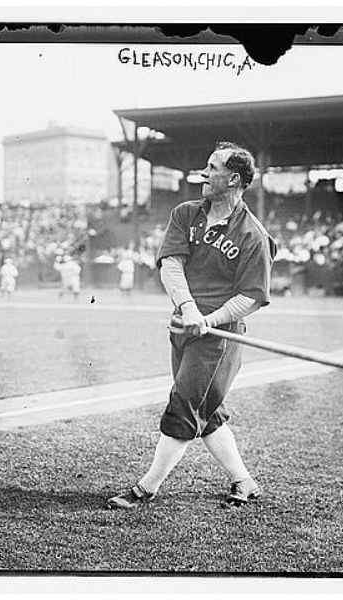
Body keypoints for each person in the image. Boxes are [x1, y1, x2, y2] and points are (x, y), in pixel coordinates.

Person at [106, 141, 277, 510]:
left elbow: (251, 297)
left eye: (212, 167)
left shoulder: (254, 235)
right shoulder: (186, 213)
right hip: (185, 326)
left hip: (219, 338)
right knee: (206, 412)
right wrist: (188, 308)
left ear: (233, 179)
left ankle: (146, 487)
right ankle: (244, 481)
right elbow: (171, 264)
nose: (204, 172)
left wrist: (209, 319)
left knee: (183, 406)